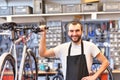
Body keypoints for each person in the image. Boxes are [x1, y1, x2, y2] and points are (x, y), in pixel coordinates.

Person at [39, 21, 109, 80]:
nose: (74, 34)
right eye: (71, 31)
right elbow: (43, 53)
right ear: (68, 32)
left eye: (77, 30)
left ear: (82, 31)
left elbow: (105, 62)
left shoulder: (90, 46)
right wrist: (43, 35)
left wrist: (94, 76)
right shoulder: (62, 48)